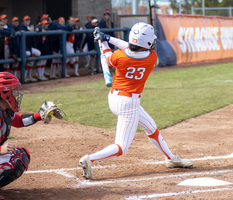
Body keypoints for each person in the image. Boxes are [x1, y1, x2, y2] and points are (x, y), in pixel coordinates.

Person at [79, 23, 193, 180]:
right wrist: (107, 38)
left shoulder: (120, 56)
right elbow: (133, 47)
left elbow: (110, 56)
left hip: (115, 98)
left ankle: (171, 158)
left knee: (151, 128)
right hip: (128, 103)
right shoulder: (151, 57)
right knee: (121, 147)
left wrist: (105, 41)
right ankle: (89, 159)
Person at [0, 72, 64, 199]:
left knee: (20, 156)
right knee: (13, 161)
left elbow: (18, 121)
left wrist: (39, 115)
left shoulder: (4, 111)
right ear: (4, 93)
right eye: (13, 91)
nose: (16, 95)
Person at [17, 16, 41, 82]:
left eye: (28, 20)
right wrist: (29, 30)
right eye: (26, 20)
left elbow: (39, 27)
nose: (27, 21)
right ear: (23, 21)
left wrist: (38, 29)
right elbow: (21, 30)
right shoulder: (21, 26)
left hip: (29, 47)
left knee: (37, 53)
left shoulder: (31, 25)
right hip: (23, 48)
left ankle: (29, 76)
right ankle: (23, 77)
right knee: (27, 55)